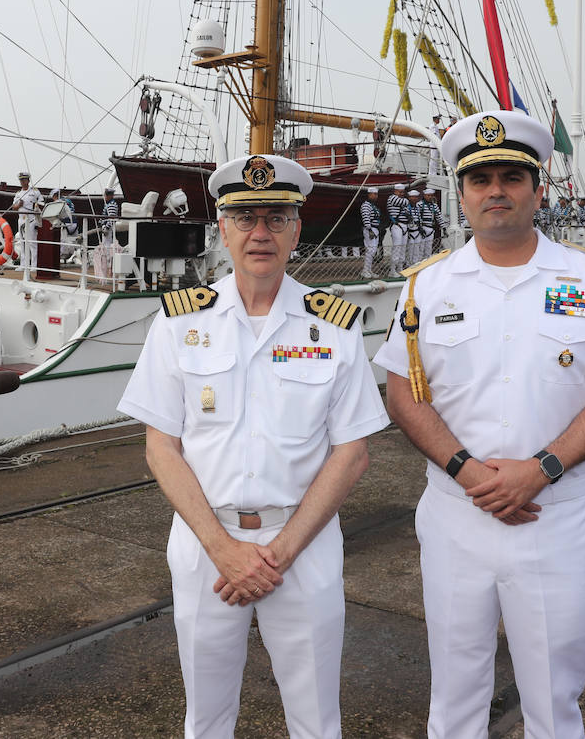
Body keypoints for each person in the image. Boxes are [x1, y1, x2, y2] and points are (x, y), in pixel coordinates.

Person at [373, 110, 585, 738]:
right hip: (456, 517)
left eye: (510, 176)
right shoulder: (426, 287)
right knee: (454, 695)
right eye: (480, 179)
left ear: (536, 189)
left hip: (555, 519)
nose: (495, 190)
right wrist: (468, 471)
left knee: (555, 700)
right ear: (463, 193)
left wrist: (541, 469)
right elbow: (404, 395)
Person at [119, 153, 387, 739]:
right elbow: (161, 447)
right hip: (204, 547)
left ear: (296, 228)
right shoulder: (177, 324)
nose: (259, 233)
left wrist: (280, 552)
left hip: (305, 545)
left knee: (317, 720)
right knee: (206, 719)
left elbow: (352, 453)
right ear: (223, 226)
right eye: (244, 217)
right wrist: (222, 549)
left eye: (275, 217)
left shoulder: (335, 327)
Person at [9, 171, 43, 280]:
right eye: (21, 180)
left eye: (24, 180)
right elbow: (13, 206)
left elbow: (42, 203)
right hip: (21, 220)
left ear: (28, 180)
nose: (23, 182)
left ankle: (34, 265)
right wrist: (19, 205)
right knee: (22, 243)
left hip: (31, 219)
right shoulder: (18, 193)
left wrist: (37, 205)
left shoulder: (35, 192)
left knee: (32, 243)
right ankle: (23, 265)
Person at [386, 182, 410, 275]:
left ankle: (400, 268)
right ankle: (392, 270)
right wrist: (406, 200)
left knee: (403, 248)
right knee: (397, 247)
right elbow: (405, 202)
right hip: (397, 226)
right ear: (395, 191)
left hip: (404, 226)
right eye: (400, 192)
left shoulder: (401, 199)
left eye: (403, 192)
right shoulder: (392, 198)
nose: (402, 194)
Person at [359, 187, 381, 277]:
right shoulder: (366, 205)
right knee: (370, 250)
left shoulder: (372, 205)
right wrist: (369, 229)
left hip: (374, 229)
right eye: (374, 194)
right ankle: (365, 270)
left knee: (373, 250)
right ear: (369, 195)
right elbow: (365, 218)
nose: (376, 196)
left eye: (376, 194)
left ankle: (369, 269)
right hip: (370, 229)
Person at [405, 189, 425, 266]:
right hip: (410, 231)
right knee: (410, 249)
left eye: (416, 197)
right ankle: (408, 264)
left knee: (417, 248)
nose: (415, 199)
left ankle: (415, 263)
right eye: (413, 197)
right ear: (409, 198)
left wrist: (420, 227)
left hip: (417, 230)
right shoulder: (407, 207)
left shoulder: (417, 207)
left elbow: (419, 218)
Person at [421, 187, 443, 254]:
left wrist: (443, 227)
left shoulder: (434, 206)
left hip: (431, 228)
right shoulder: (420, 204)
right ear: (424, 196)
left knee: (429, 248)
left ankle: (427, 262)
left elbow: (439, 216)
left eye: (431, 195)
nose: (430, 197)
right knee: (421, 248)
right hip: (422, 229)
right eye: (428, 195)